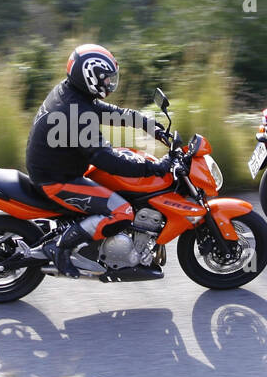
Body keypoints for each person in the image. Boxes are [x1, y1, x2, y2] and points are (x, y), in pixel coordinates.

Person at [25, 44, 173, 277]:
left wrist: (147, 123)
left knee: (121, 164)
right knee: (122, 211)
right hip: (57, 179)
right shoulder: (75, 111)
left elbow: (109, 112)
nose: (109, 84)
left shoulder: (72, 93)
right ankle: (60, 247)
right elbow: (104, 158)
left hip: (61, 167)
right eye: (105, 79)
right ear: (89, 77)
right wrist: (153, 168)